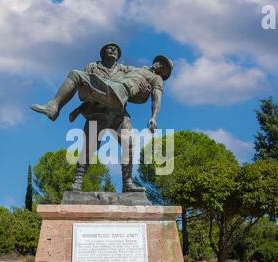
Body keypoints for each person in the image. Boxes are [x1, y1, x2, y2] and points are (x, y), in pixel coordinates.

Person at [31, 45, 173, 192]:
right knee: (89, 146)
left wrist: (153, 116)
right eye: (159, 62)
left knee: (129, 143)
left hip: (118, 112)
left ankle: (128, 183)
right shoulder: (130, 69)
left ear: (164, 73)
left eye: (164, 67)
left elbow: (156, 98)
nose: (159, 65)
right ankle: (54, 107)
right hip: (99, 110)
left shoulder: (156, 79)